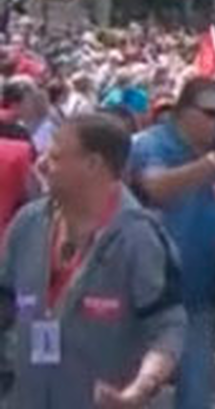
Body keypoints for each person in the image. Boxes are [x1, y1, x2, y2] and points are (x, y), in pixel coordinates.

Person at [0, 114, 186, 406]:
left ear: (93, 165)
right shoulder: (29, 222)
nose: (42, 163)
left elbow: (168, 327)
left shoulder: (138, 237)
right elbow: (5, 299)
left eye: (56, 155)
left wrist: (140, 389)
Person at [128, 76, 215, 409]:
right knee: (134, 389)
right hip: (148, 294)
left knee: (195, 394)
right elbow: (157, 188)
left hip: (202, 294)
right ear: (183, 111)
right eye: (211, 113)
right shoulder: (152, 144)